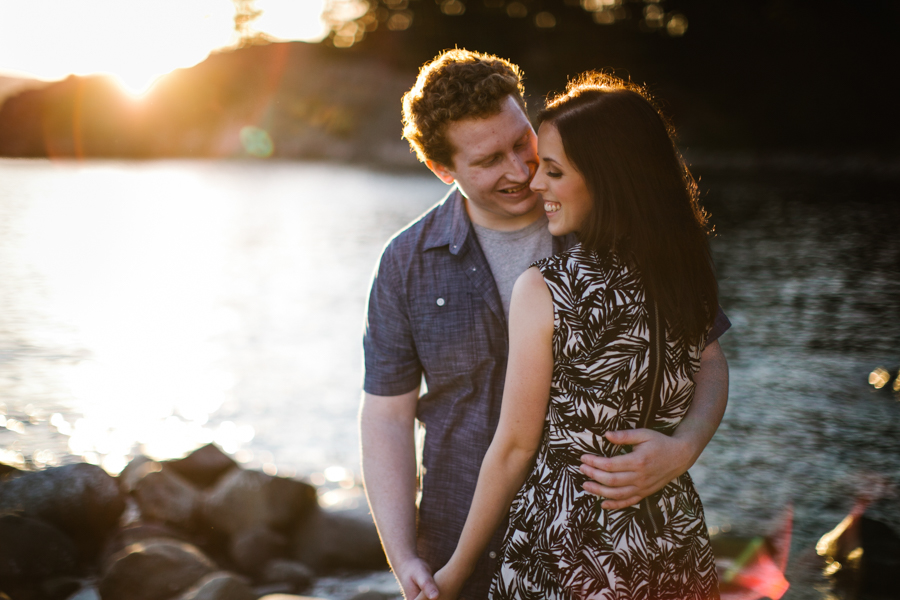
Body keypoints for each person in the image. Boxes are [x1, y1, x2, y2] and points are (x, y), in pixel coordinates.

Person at [360, 49, 729, 600]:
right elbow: (388, 416)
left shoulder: (608, 224)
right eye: (488, 160)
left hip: (597, 546)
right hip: (457, 536)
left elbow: (707, 359)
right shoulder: (406, 262)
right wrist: (405, 554)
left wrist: (684, 448)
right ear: (444, 169)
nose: (520, 172)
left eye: (521, 142)